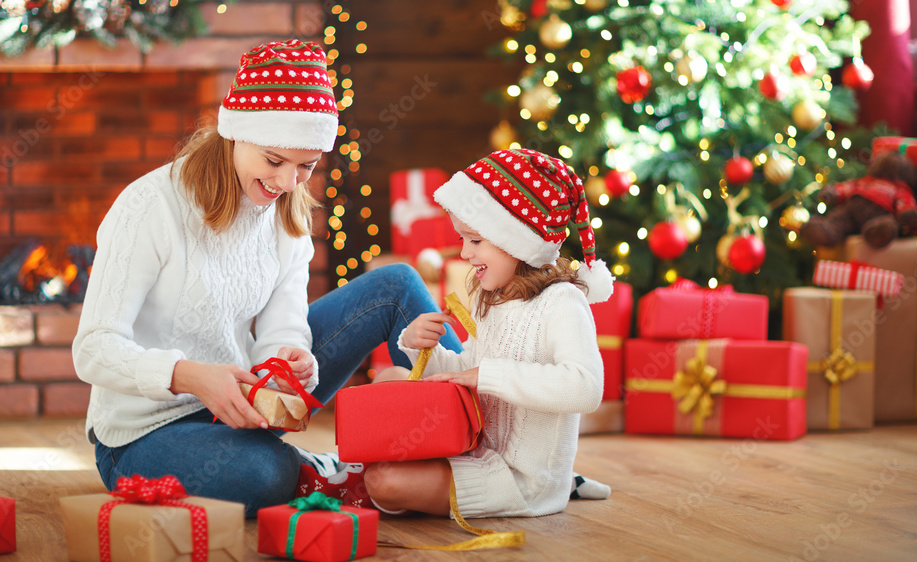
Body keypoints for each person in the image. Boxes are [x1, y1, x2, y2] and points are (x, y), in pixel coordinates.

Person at [72, 39, 461, 518]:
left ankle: (481, 444)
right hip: (144, 435)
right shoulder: (150, 206)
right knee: (265, 474)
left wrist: (288, 362)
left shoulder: (286, 213)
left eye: (306, 166)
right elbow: (92, 349)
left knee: (396, 284)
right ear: (234, 134)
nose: (287, 183)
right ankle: (340, 473)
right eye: (274, 161)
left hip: (244, 401)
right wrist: (190, 377)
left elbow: (282, 330)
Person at [361, 148, 614, 518]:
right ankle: (361, 469)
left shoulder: (562, 302)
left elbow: (586, 387)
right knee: (391, 376)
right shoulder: (494, 299)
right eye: (463, 240)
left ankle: (564, 483)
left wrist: (487, 375)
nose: (464, 253)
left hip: (518, 478)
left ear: (519, 241)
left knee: (385, 483)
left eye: (475, 240)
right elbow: (467, 368)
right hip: (473, 448)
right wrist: (422, 349)